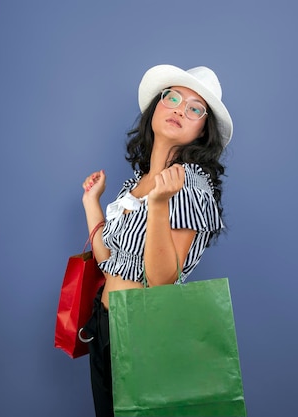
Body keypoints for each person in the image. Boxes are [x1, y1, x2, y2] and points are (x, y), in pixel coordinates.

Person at [79, 64, 233, 417]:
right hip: (104, 324)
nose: (180, 108)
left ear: (202, 130)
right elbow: (108, 261)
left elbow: (162, 279)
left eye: (195, 108)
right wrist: (92, 203)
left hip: (142, 333)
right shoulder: (137, 182)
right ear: (155, 108)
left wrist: (160, 204)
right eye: (173, 97)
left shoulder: (188, 184)